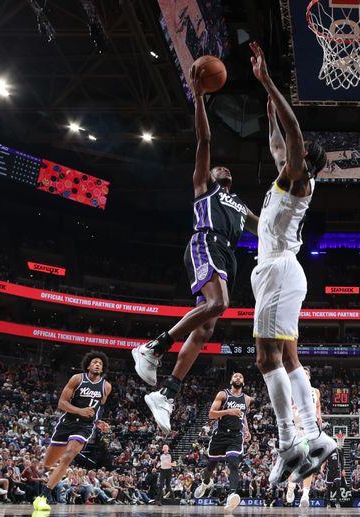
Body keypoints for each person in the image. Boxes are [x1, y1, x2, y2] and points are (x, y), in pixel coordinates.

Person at [133, 63, 258, 435]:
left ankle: (166, 394)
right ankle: (154, 347)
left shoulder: (239, 206)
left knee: (205, 331)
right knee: (217, 304)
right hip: (205, 241)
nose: (223, 168)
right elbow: (204, 141)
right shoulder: (205, 188)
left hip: (229, 256)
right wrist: (200, 99)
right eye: (218, 167)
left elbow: (267, 226)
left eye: (226, 169)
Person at [249, 40, 336, 487]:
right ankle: (316, 437)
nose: (283, 153)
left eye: (293, 154)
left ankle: (290, 444)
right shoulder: (284, 181)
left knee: (266, 359)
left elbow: (293, 133)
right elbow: (279, 139)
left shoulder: (299, 180)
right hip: (280, 271)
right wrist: (268, 111)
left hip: (279, 271)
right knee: (287, 357)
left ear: (305, 163)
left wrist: (268, 81)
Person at [33, 351, 112, 512]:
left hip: (84, 427)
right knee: (47, 464)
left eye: (100, 363)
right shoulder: (77, 379)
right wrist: (79, 410)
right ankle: (41, 483)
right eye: (95, 362)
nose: (98, 364)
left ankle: (42, 497)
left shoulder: (106, 387)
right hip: (67, 423)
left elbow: (97, 409)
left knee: (68, 456)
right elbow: (62, 403)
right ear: (88, 365)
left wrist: (98, 422)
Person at [194, 373, 252, 512]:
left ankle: (232, 494)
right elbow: (211, 414)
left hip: (235, 436)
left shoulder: (247, 399)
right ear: (230, 380)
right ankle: (205, 483)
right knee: (211, 466)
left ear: (243, 382)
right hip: (220, 434)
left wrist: (247, 430)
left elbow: (243, 417)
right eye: (235, 376)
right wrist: (228, 411)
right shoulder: (223, 394)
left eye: (241, 377)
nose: (238, 378)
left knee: (233, 463)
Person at [286, 367, 322, 508]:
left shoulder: (316, 391)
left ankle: (305, 495)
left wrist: (319, 415)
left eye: (306, 373)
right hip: (295, 428)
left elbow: (318, 405)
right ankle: (290, 487)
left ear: (309, 377)